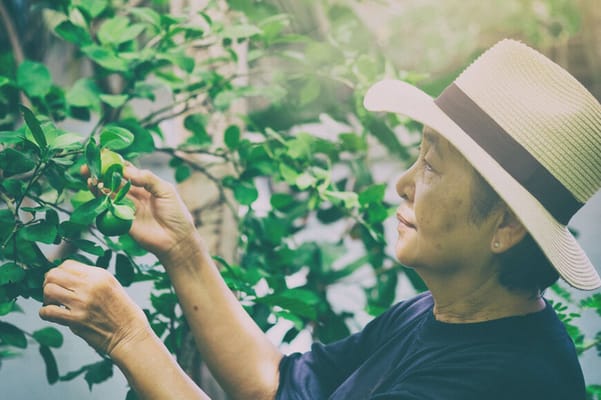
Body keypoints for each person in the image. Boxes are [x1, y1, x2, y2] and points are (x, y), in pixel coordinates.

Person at [39, 38, 601, 399]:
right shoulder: (437, 314)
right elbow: (280, 385)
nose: (401, 183)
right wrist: (182, 250)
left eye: (430, 166)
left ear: (506, 227)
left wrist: (129, 336)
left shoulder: (497, 382)